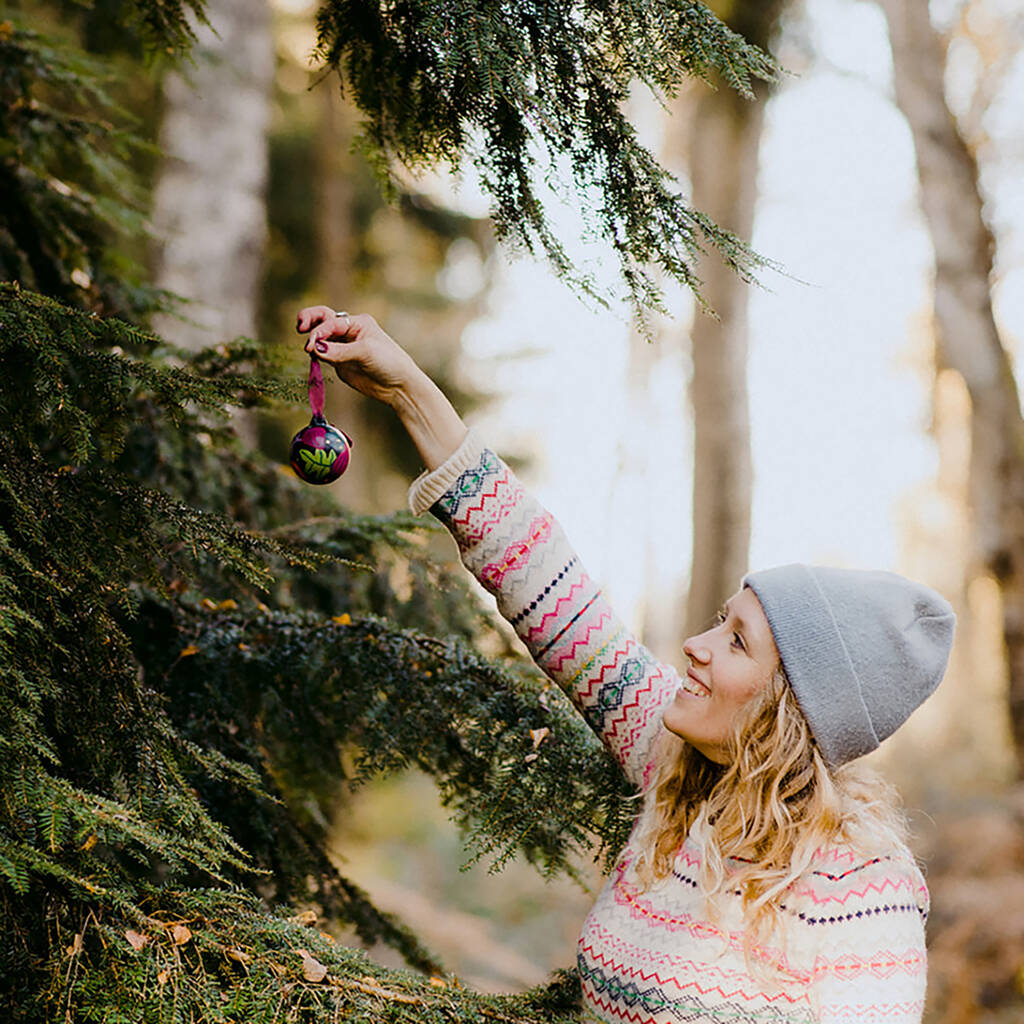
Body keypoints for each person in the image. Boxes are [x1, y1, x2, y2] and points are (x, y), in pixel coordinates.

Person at [296, 306, 956, 1024]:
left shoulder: (864, 890)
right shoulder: (674, 764)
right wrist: (405, 389)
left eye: (737, 642)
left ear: (793, 708)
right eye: (718, 623)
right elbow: (543, 577)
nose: (696, 649)